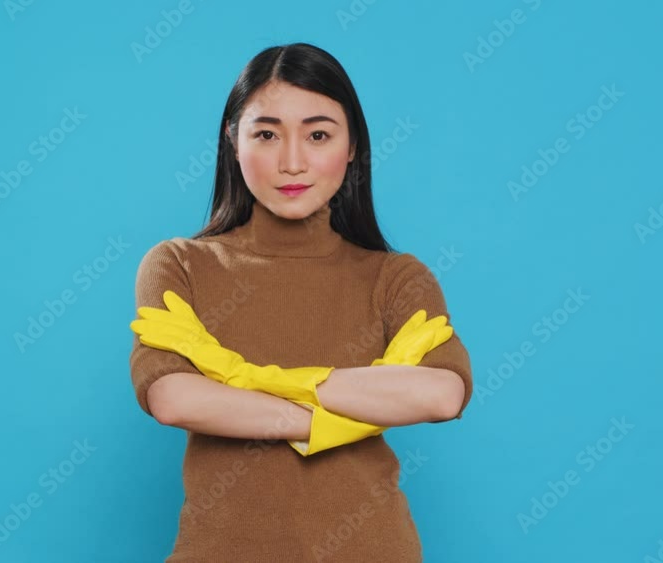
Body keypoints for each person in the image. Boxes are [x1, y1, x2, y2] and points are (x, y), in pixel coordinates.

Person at [129, 42, 473, 563]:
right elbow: (174, 399)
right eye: (266, 134)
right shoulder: (179, 265)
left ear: (352, 144)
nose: (292, 161)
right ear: (233, 141)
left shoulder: (394, 277)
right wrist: (323, 420)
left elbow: (442, 393)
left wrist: (242, 381)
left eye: (318, 135)